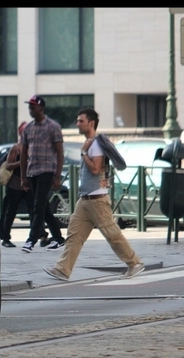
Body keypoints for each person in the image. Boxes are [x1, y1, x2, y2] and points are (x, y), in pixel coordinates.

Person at [43, 107, 145, 281]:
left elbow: (96, 169)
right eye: (77, 120)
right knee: (74, 235)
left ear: (91, 123)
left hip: (97, 199)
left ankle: (134, 263)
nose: (77, 124)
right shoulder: (90, 142)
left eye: (81, 121)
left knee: (112, 234)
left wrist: (83, 153)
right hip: (86, 200)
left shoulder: (95, 144)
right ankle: (62, 270)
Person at [19, 95, 66, 253]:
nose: (30, 110)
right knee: (43, 207)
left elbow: (60, 152)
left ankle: (32, 239)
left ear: (41, 108)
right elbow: (24, 153)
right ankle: (58, 237)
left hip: (47, 170)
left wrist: (57, 176)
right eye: (29, 107)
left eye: (33, 106)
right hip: (32, 171)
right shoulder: (28, 128)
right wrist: (23, 176)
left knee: (38, 205)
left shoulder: (53, 127)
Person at [0, 122, 36, 247]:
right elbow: (8, 165)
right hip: (15, 184)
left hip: (29, 183)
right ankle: (5, 237)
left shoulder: (33, 147)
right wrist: (21, 162)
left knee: (35, 209)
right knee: (10, 211)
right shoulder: (16, 148)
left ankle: (38, 234)